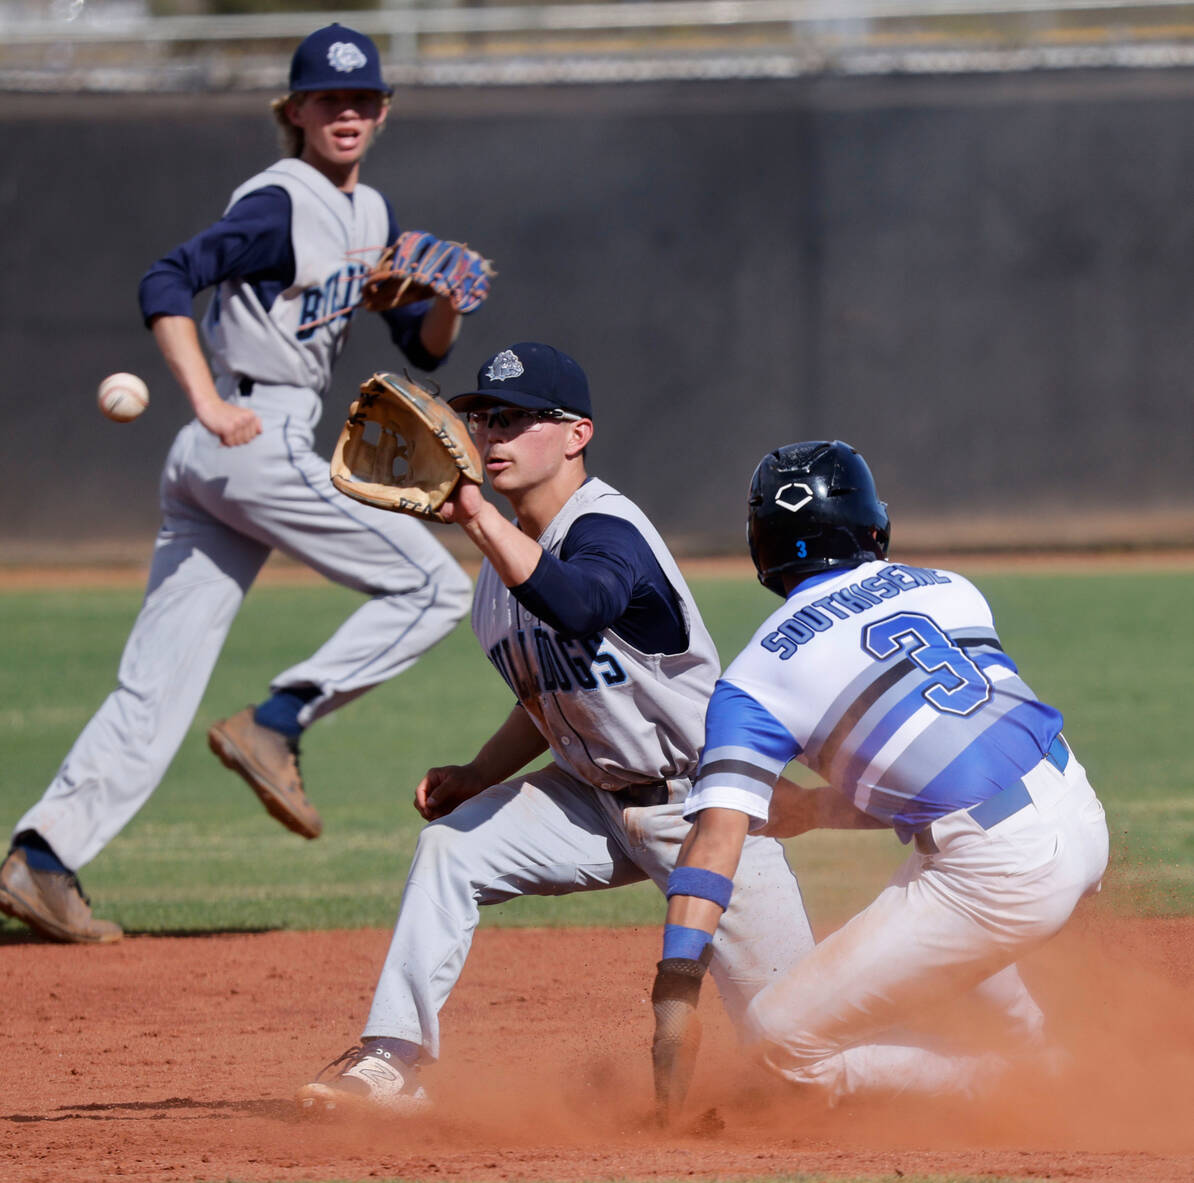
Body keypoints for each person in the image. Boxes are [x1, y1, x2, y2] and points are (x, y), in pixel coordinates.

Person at [0, 24, 476, 946]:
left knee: (156, 684)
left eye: (362, 100)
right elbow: (167, 278)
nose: (346, 113)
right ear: (294, 111)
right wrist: (210, 400)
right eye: (327, 100)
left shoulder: (367, 214)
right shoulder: (282, 202)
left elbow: (417, 342)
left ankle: (44, 860)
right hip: (258, 435)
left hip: (223, 461)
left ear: (382, 113)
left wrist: (444, 298)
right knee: (434, 585)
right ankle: (278, 720)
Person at [294, 342, 815, 1116]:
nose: (493, 436)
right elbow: (550, 695)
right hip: (591, 802)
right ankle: (389, 1062)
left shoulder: (611, 532)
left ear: (577, 434)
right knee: (449, 848)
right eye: (484, 418)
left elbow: (578, 605)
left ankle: (974, 1074)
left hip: (705, 809)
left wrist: (471, 513)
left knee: (803, 1052)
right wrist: (479, 774)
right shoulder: (495, 581)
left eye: (519, 419)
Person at [653, 439, 1109, 1104]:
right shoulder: (950, 588)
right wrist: (812, 811)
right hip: (1076, 812)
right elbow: (952, 767)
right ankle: (1032, 1046)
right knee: (936, 878)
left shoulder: (752, 680)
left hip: (996, 875)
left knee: (780, 1047)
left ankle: (1025, 1086)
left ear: (762, 544)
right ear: (872, 525)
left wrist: (677, 987)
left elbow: (716, 842)